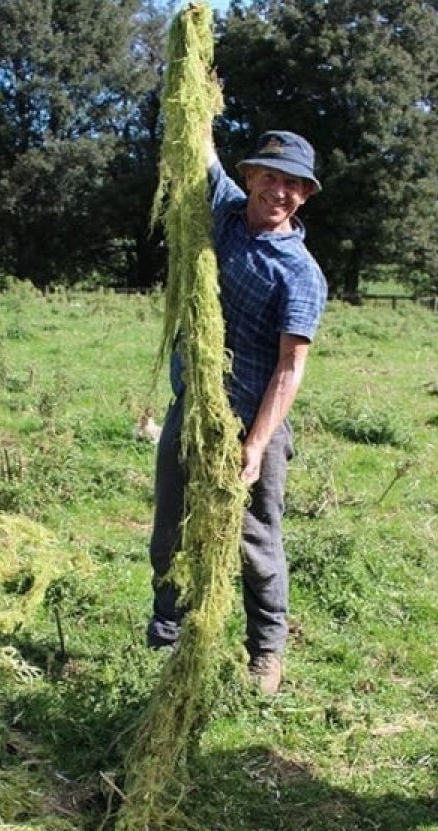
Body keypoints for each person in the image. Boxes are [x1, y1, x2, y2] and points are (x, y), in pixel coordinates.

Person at [147, 129, 328, 694]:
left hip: (254, 422)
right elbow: (200, 149)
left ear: (305, 195)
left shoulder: (300, 273)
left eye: (294, 184)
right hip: (193, 404)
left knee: (256, 543)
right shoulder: (224, 212)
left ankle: (266, 651)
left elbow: (289, 369)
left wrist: (254, 444)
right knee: (169, 530)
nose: (280, 191)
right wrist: (196, 87)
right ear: (250, 177)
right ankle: (166, 630)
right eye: (271, 177)